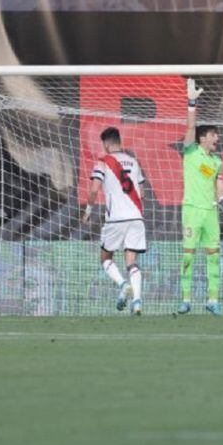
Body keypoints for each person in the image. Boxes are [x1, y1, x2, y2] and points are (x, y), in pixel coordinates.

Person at [178, 78, 223, 316]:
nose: (217, 139)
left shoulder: (216, 161)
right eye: (213, 135)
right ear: (202, 138)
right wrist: (191, 103)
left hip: (210, 213)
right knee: (188, 256)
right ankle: (186, 299)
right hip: (191, 210)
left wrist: (222, 199)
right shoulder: (191, 151)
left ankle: (213, 299)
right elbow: (189, 128)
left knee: (213, 257)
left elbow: (219, 182)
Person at [84, 127, 147, 315]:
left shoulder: (102, 162)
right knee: (131, 262)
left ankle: (122, 284)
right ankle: (137, 302)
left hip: (116, 219)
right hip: (136, 217)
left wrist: (88, 210)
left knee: (105, 258)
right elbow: (142, 193)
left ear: (106, 143)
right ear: (120, 141)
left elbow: (95, 189)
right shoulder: (134, 162)